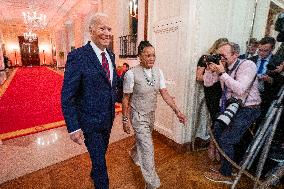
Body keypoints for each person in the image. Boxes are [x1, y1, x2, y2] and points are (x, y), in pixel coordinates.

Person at [61, 13, 119, 189]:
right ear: (91, 30)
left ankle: (95, 171)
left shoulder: (111, 55)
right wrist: (73, 127)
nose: (107, 33)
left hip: (108, 119)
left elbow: (112, 84)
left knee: (100, 155)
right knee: (102, 167)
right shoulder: (78, 56)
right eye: (102, 28)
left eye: (109, 29)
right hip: (89, 122)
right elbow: (67, 95)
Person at [122, 40, 186, 189]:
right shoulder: (131, 74)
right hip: (137, 115)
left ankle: (133, 153)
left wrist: (177, 111)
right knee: (148, 148)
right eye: (148, 55)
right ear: (140, 56)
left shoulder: (158, 72)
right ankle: (152, 184)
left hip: (150, 114)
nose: (152, 58)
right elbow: (125, 98)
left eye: (154, 55)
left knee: (142, 141)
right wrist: (125, 120)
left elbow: (165, 93)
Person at [203, 42, 261, 184]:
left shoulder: (247, 65)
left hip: (249, 108)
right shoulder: (225, 67)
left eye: (223, 55)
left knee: (226, 139)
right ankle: (226, 166)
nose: (220, 58)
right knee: (217, 131)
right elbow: (207, 83)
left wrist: (222, 73)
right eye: (219, 55)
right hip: (232, 106)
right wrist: (210, 70)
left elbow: (240, 89)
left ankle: (226, 175)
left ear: (235, 54)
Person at [196, 38, 228, 161]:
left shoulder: (224, 60)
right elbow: (198, 77)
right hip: (211, 93)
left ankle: (217, 146)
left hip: (224, 92)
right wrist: (209, 72)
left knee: (223, 121)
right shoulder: (206, 58)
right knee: (216, 120)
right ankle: (212, 145)